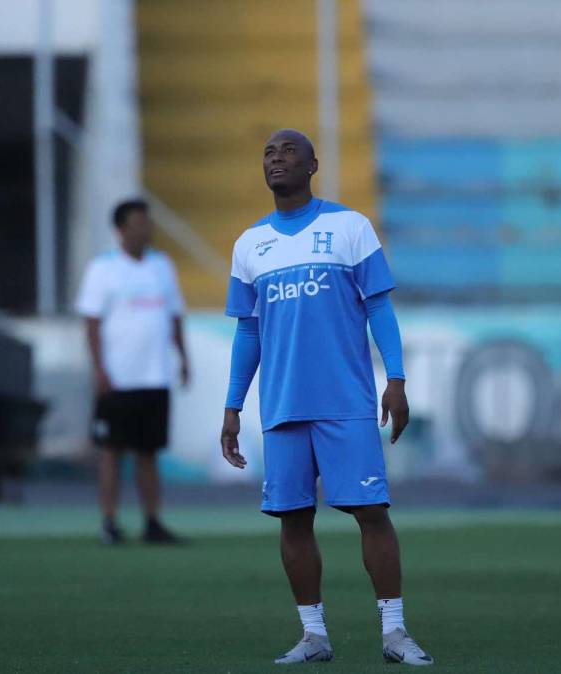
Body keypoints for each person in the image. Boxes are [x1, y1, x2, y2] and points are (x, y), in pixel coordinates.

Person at [219, 129, 433, 666]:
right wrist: (232, 406)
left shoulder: (349, 227)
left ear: (313, 165)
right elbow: (248, 333)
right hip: (284, 405)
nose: (276, 158)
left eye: (289, 151)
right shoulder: (250, 245)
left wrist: (398, 379)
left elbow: (380, 308)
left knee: (370, 511)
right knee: (293, 519)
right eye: (268, 151)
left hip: (345, 401)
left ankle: (394, 632)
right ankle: (313, 635)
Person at [75, 199, 189, 545]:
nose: (146, 228)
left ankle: (152, 521)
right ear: (121, 229)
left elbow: (174, 315)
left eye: (147, 222)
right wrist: (100, 371)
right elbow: (92, 323)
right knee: (111, 451)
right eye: (139, 222)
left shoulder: (161, 265)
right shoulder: (103, 269)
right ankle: (109, 522)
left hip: (155, 376)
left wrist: (184, 358)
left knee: (149, 451)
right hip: (118, 378)